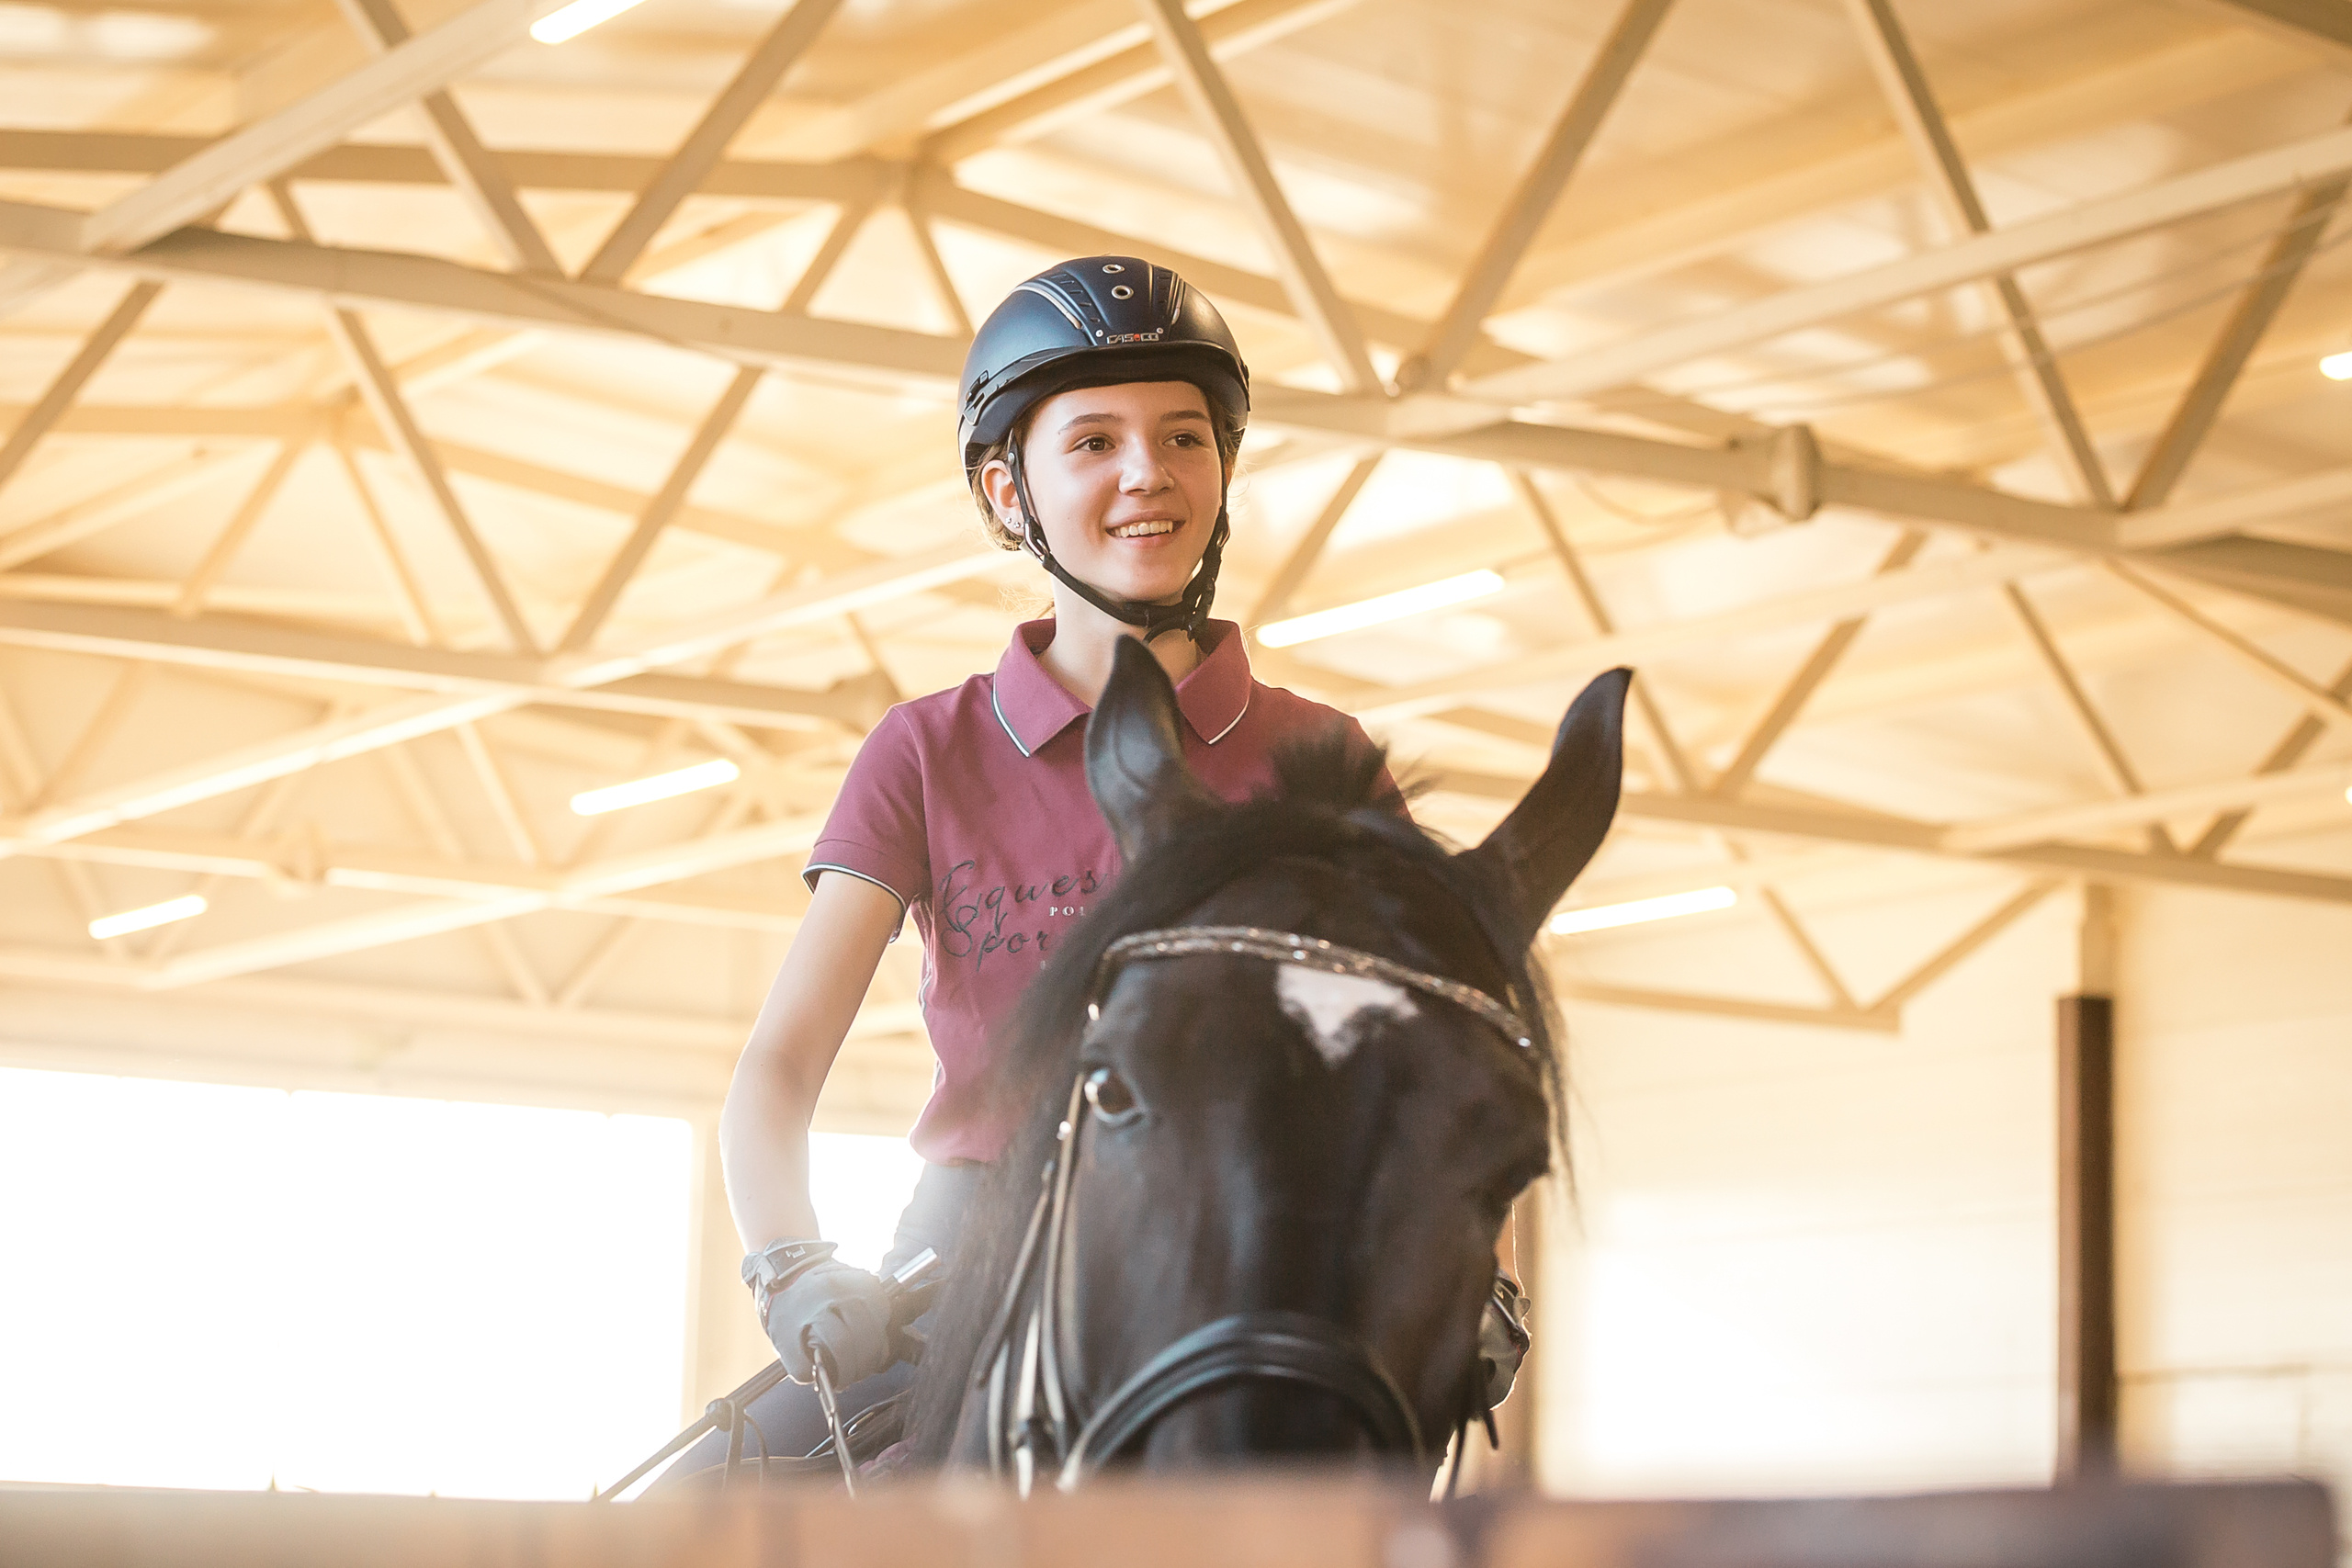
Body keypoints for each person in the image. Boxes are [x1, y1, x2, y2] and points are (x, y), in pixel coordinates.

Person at [666, 256, 1519, 1483]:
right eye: (1095, 442)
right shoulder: (926, 750)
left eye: (1184, 436)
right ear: (1008, 492)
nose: (1147, 474)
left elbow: (1423, 1056)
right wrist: (792, 1262)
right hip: (972, 1263)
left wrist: (1475, 1269)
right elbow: (780, 1067)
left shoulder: (1322, 758)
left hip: (1250, 1264)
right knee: (691, 1516)